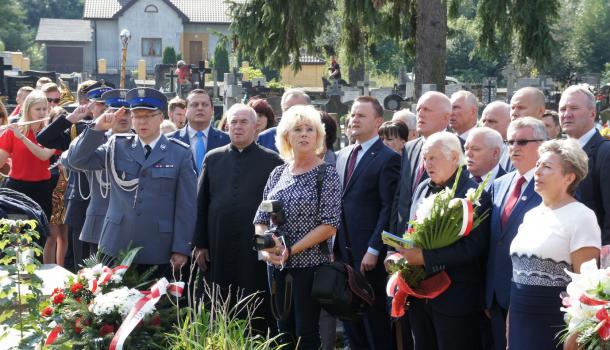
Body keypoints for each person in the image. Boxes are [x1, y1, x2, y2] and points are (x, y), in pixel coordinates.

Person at [69, 88, 197, 275]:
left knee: (156, 303)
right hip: (116, 243)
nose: (142, 121)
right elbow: (76, 161)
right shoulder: (117, 146)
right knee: (111, 303)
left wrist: (181, 247)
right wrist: (97, 128)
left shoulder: (179, 153)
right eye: (137, 115)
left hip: (158, 246)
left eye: (148, 115)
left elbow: (187, 206)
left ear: (161, 118)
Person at [254, 104, 341, 349]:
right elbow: (260, 220)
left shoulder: (327, 174)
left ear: (318, 136)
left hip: (310, 267)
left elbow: (329, 225)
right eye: (297, 129)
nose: (303, 134)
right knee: (283, 333)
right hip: (277, 267)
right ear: (286, 137)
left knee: (306, 334)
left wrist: (291, 249)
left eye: (309, 129)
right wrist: (265, 250)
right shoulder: (277, 173)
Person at [193, 103, 283, 334]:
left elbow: (276, 211)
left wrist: (270, 245)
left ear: (255, 128)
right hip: (218, 242)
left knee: (255, 296)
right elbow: (201, 204)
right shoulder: (213, 159)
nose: (238, 126)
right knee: (218, 299)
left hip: (253, 245)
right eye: (233, 122)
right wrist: (200, 244)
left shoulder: (273, 162)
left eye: (244, 122)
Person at [397, 132, 491, 350]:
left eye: (433, 158)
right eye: (425, 157)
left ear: (455, 157)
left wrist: (425, 258)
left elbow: (473, 247)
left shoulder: (473, 195)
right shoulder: (422, 187)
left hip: (454, 296)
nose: (427, 163)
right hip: (418, 294)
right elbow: (412, 230)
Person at [508, 138, 600, 350]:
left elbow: (588, 286)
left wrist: (576, 335)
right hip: (520, 321)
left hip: (555, 326)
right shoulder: (531, 215)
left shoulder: (582, 216)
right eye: (538, 164)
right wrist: (509, 322)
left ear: (569, 177)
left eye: (547, 166)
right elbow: (517, 275)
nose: (537, 171)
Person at [335, 96, 401, 350]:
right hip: (343, 256)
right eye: (352, 115)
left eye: (361, 115)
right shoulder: (342, 155)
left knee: (375, 329)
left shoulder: (387, 158)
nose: (354, 120)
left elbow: (388, 208)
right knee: (352, 328)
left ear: (378, 122)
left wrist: (374, 248)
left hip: (368, 259)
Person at [37, 81, 113, 270]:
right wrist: (69, 118)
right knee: (81, 263)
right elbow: (43, 138)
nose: (105, 109)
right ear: (91, 106)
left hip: (114, 205)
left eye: (109, 104)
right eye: (100, 104)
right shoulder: (78, 129)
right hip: (83, 203)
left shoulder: (126, 132)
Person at [485, 117, 545, 350]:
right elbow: (494, 240)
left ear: (542, 144)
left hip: (530, 294)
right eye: (509, 142)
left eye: (521, 142)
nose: (514, 148)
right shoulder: (499, 184)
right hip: (496, 294)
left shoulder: (551, 184)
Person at [66, 89, 132, 259]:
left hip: (134, 225)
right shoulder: (94, 137)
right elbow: (72, 161)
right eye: (116, 111)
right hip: (100, 223)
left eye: (129, 111)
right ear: (106, 113)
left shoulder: (142, 141)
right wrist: (97, 129)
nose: (123, 116)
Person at [0, 91, 57, 251]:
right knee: (16, 235)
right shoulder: (13, 131)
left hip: (42, 189)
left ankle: (35, 271)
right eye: (38, 109)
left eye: (44, 109)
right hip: (17, 189)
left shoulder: (51, 133)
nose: (42, 113)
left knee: (38, 235)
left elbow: (44, 155)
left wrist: (22, 138)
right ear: (28, 111)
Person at [392, 91, 451, 235]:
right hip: (402, 240)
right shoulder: (409, 148)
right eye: (418, 109)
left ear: (446, 117)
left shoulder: (457, 148)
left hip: (434, 239)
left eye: (427, 110)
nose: (420, 114)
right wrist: (391, 245)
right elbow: (400, 198)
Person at [558, 85, 610, 243]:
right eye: (562, 109)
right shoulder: (554, 153)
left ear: (592, 113)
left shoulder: (605, 153)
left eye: (574, 108)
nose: (567, 114)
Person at [168, 89, 230, 175]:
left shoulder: (227, 141)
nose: (200, 108)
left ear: (212, 110)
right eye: (194, 105)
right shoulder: (169, 141)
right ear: (185, 111)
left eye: (205, 105)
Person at [45, 106, 69, 266]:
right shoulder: (47, 145)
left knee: (64, 236)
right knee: (52, 236)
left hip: (66, 194)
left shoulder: (69, 143)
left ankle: (60, 268)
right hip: (51, 194)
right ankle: (48, 268)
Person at [481, 101, 512, 172]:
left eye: (491, 121)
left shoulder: (517, 152)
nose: (485, 126)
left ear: (510, 122)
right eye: (483, 121)